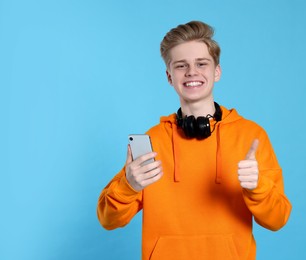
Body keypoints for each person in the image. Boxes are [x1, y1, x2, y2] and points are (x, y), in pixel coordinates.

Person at [97, 21, 292, 260]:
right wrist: (130, 186)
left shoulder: (251, 136)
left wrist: (257, 188)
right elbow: (108, 220)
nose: (192, 72)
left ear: (216, 72)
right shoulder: (152, 141)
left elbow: (278, 220)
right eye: (181, 66)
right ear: (169, 76)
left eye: (201, 64)